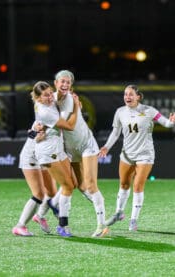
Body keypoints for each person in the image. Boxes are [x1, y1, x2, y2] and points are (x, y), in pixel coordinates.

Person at [99, 84, 175, 231]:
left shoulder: (148, 110)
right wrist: (106, 147)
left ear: (138, 96)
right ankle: (119, 212)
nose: (127, 97)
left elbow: (165, 122)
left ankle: (133, 220)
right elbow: (115, 133)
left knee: (138, 186)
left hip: (145, 154)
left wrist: (171, 122)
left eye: (130, 94)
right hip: (127, 154)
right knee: (123, 185)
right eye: (125, 94)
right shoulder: (120, 112)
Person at [53, 70, 108, 237]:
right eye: (62, 81)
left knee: (90, 185)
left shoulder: (71, 99)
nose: (65, 84)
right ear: (55, 83)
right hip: (70, 150)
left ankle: (102, 225)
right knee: (78, 185)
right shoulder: (51, 99)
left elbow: (67, 124)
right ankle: (49, 213)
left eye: (68, 82)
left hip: (86, 145)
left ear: (71, 86)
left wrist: (77, 107)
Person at [31, 81, 80, 237]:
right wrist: (76, 107)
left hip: (58, 148)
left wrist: (67, 92)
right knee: (67, 186)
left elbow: (59, 95)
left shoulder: (47, 100)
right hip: (48, 152)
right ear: (38, 98)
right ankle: (62, 226)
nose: (50, 96)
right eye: (46, 95)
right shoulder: (45, 111)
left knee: (73, 183)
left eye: (50, 92)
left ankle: (43, 212)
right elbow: (70, 126)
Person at [12, 127, 58, 236]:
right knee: (39, 194)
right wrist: (35, 134)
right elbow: (35, 136)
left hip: (45, 156)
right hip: (31, 157)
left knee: (52, 192)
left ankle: (40, 216)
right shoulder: (47, 117)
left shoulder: (60, 120)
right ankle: (20, 226)